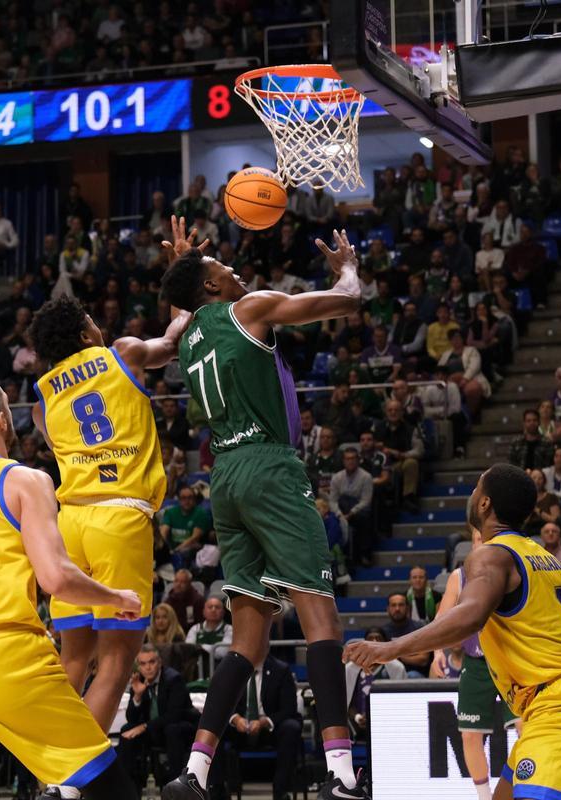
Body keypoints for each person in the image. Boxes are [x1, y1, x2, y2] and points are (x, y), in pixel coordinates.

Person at [161, 229, 369, 799]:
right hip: (269, 468)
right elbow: (348, 301)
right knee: (320, 618)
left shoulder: (185, 340)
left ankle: (195, 772)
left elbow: (181, 311)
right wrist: (346, 267)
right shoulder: (247, 308)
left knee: (247, 643)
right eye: (223, 267)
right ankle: (342, 774)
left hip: (222, 477)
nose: (235, 271)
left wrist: (182, 266)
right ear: (211, 285)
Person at [0, 372, 142, 799]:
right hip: (5, 656)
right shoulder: (24, 480)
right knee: (110, 786)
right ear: (1, 420)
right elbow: (55, 577)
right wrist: (114, 597)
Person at [345, 464, 561, 800]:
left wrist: (390, 648)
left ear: (484, 503)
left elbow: (470, 617)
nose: (471, 495)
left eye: (475, 488)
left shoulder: (490, 555)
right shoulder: (544, 558)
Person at [30, 220, 193, 774]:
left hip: (69, 523)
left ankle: (51, 764)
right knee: (119, 659)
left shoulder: (43, 398)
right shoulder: (121, 352)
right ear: (83, 335)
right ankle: (69, 774)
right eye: (91, 321)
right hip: (119, 517)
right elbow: (173, 340)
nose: (99, 327)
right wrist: (186, 281)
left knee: (74, 655)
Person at [430, 552, 517, 800]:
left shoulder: (508, 565)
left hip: (510, 660)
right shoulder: (459, 576)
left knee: (527, 730)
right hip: (476, 663)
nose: (482, 543)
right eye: (477, 538)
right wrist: (438, 651)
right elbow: (442, 617)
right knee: (469, 734)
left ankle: (520, 787)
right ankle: (484, 796)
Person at [209, 654, 303, 800]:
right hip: (239, 728)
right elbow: (221, 702)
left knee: (291, 727)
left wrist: (265, 721)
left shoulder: (280, 670)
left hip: (269, 730)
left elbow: (289, 708)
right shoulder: (232, 669)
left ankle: (281, 791)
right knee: (213, 727)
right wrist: (235, 718)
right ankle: (218, 791)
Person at [117, 644, 196, 791]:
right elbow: (131, 719)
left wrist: (144, 726)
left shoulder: (174, 679)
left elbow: (174, 715)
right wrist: (137, 696)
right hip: (156, 729)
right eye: (143, 664)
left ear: (159, 662)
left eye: (152, 662)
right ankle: (128, 788)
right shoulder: (139, 680)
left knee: (172, 730)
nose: (148, 667)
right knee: (126, 731)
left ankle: (175, 787)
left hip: (180, 728)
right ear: (138, 666)